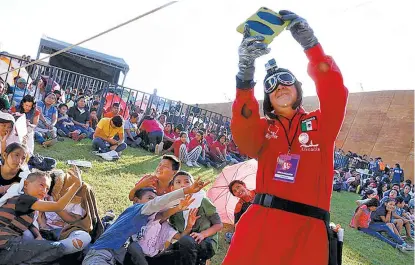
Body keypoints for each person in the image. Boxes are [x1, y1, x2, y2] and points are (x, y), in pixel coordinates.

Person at [222, 11, 348, 265]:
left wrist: (311, 45)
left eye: (286, 80)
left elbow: (335, 91)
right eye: (270, 85)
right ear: (267, 99)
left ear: (299, 88)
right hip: (260, 224)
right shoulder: (263, 130)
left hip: (307, 233)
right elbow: (243, 134)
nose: (278, 85)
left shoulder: (321, 124)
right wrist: (245, 71)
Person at [82, 178, 209, 265]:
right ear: (137, 200)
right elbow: (157, 204)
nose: (153, 201)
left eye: (154, 199)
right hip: (102, 255)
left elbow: (163, 215)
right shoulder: (135, 209)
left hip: (121, 260)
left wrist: (179, 209)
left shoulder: (153, 221)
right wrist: (186, 190)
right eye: (149, 198)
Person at [0, 168, 82, 265]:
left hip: (8, 247)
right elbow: (58, 206)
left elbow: (28, 224)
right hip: (7, 246)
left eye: (47, 188)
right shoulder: (25, 200)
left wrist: (38, 235)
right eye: (41, 185)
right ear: (26, 184)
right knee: (58, 248)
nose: (44, 191)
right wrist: (77, 185)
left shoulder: (21, 200)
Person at [150, 171, 222, 265]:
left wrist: (203, 234)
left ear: (194, 186)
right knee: (160, 259)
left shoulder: (202, 200)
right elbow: (159, 221)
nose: (182, 185)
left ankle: (199, 261)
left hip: (206, 242)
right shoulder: (173, 204)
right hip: (183, 242)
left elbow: (219, 224)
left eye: (187, 182)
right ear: (172, 188)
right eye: (178, 182)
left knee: (186, 242)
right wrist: (177, 209)